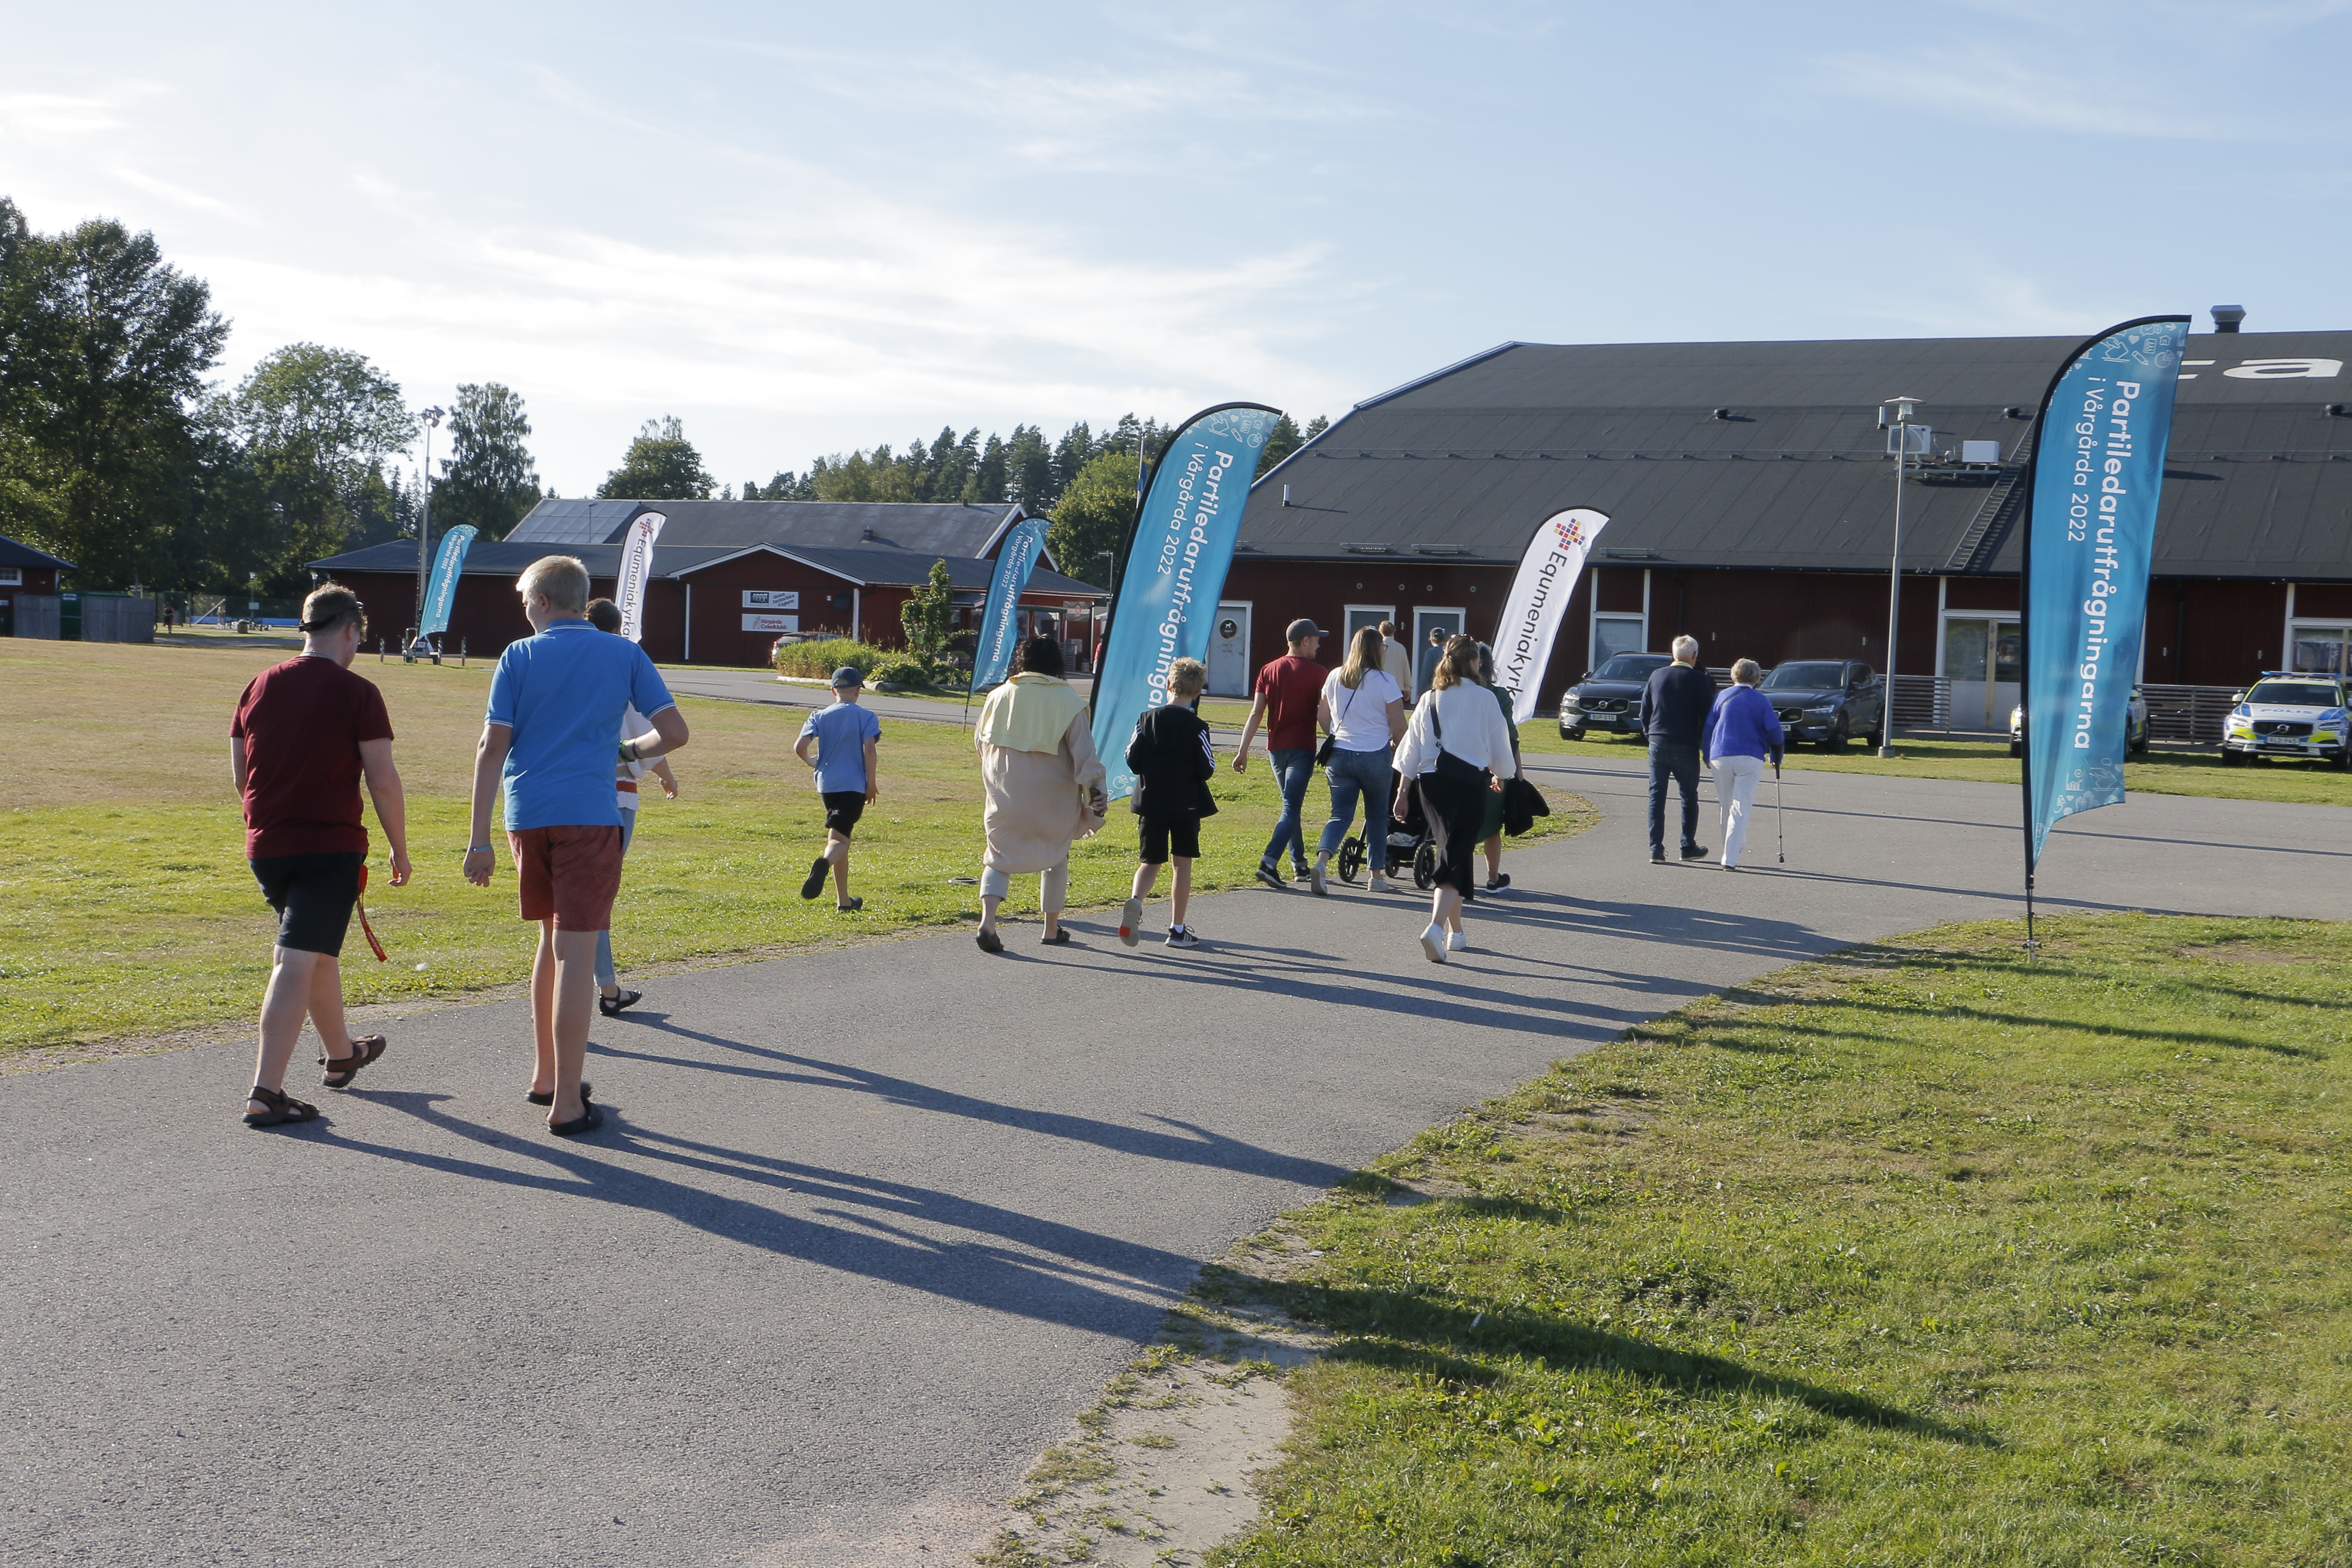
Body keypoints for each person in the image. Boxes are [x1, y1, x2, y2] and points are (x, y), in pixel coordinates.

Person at [464, 557, 688, 1137]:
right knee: (577, 953)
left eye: (523, 603)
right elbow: (675, 732)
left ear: (541, 602)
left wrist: (478, 836)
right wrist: (628, 754)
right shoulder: (623, 653)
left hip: (527, 814)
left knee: (549, 942)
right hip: (589, 815)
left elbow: (493, 745)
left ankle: (545, 1076)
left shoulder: (518, 655)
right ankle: (567, 1101)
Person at [228, 584, 411, 1129]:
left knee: (313, 952)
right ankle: (267, 1091)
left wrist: (266, 819)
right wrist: (400, 848)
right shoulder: (358, 691)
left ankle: (341, 1054)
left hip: (268, 845)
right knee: (294, 960)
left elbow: (242, 773)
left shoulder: (258, 685)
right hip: (328, 847)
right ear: (352, 630)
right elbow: (382, 778)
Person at [973, 635, 1106, 952]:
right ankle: (1050, 928)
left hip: (1005, 794)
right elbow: (1085, 755)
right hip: (1054, 798)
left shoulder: (998, 695)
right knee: (1057, 856)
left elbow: (981, 743)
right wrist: (1097, 791)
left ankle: (988, 922)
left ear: (1022, 662)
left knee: (998, 858)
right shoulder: (1069, 701)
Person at [1393, 635, 1517, 964]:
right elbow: (1500, 746)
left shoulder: (1430, 698)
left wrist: (1402, 793)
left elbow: (1411, 749)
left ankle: (1456, 933)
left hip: (1430, 784)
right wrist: (1501, 774)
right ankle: (1435, 927)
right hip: (1468, 784)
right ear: (1474, 662)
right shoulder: (1485, 698)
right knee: (1454, 856)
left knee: (1454, 850)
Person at [585, 598, 680, 1014]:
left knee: (570, 901)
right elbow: (654, 733)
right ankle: (607, 990)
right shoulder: (623, 664)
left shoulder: (572, 665)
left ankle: (580, 994)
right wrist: (665, 774)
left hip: (566, 793)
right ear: (619, 627)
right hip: (617, 796)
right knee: (594, 900)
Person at [1120, 656, 1217, 948]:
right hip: (1185, 804)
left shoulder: (1145, 719)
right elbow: (1207, 768)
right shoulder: (1198, 727)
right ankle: (1177, 929)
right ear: (1197, 693)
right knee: (1181, 864)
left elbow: (1131, 759)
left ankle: (1136, 902)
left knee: (1150, 861)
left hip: (1151, 802)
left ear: (1168, 685)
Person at [1309, 625, 1406, 895]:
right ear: (1378, 650)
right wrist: (1402, 751)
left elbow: (1323, 715)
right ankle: (1375, 876)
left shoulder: (1335, 676)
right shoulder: (1386, 682)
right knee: (1376, 816)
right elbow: (1398, 727)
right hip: (1375, 754)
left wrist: (1335, 733)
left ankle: (1321, 861)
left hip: (1339, 754)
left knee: (1339, 814)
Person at [1232, 618, 1326, 889]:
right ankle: (1269, 862)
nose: (1319, 645)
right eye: (1317, 640)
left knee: (1290, 806)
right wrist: (1336, 737)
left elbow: (1256, 712)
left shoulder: (1268, 670)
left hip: (1276, 749)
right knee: (1291, 807)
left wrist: (1243, 750)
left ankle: (1299, 865)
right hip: (1302, 749)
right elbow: (1323, 715)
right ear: (1305, 641)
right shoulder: (1319, 673)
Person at [793, 665, 881, 913]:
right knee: (839, 841)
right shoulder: (866, 717)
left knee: (840, 836)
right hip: (853, 785)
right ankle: (823, 863)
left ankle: (844, 902)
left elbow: (800, 747)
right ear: (858, 691)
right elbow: (870, 749)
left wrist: (814, 762)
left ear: (833, 690)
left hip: (827, 785)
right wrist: (871, 784)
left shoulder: (818, 716)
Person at [1635, 634, 1716, 864]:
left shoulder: (1657, 676)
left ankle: (1656, 849)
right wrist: (1706, 748)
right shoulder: (1699, 679)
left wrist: (1649, 734)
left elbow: (1645, 712)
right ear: (1694, 656)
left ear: (1673, 654)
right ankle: (1687, 846)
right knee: (1689, 796)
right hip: (1686, 744)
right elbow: (1707, 718)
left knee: (1656, 796)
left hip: (1658, 742)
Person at [1703, 658, 1784, 872]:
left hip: (1720, 755)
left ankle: (1732, 848)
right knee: (1741, 808)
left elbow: (1709, 727)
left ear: (1733, 675)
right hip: (1750, 757)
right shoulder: (1760, 700)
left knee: (1726, 806)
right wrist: (1777, 754)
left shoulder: (1721, 696)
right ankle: (1730, 859)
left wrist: (1706, 755)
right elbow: (1775, 732)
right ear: (1756, 678)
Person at [1474, 642, 1523, 891]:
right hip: (1492, 769)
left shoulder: (1445, 692)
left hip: (1455, 768)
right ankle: (1493, 878)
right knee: (1492, 827)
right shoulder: (1499, 696)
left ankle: (1451, 878)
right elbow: (1510, 737)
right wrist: (1517, 774)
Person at [1380, 619, 1414, 701]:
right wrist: (1408, 688)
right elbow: (1406, 669)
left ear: (1380, 631)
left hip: (1381, 685)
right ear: (1394, 631)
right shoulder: (1401, 648)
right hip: (1397, 686)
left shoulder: (1378, 647)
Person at [1415, 623, 1447, 694]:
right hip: (1452, 687)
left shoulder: (1431, 652)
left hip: (1436, 687)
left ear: (1432, 640)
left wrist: (1420, 692)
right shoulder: (1451, 651)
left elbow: (1426, 674)